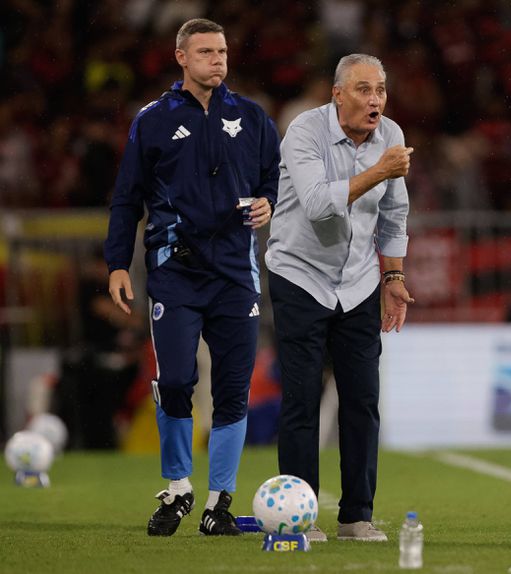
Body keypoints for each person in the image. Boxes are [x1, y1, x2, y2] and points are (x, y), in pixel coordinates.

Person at [104, 18, 280, 536]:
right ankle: (178, 487)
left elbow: (274, 177)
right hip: (174, 272)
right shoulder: (153, 120)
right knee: (177, 379)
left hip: (234, 273)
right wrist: (117, 262)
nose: (217, 60)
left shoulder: (251, 116)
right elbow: (126, 198)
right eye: (205, 51)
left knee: (232, 391)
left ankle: (218, 504)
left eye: (222, 51)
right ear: (181, 58)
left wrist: (271, 199)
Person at [266, 53, 413, 543]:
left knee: (362, 401)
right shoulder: (304, 132)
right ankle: (301, 517)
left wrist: (393, 279)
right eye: (365, 90)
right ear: (337, 94)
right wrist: (380, 170)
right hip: (299, 275)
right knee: (303, 400)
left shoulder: (390, 135)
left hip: (358, 282)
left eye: (381, 90)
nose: (376, 100)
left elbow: (394, 215)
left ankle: (356, 516)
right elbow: (317, 204)